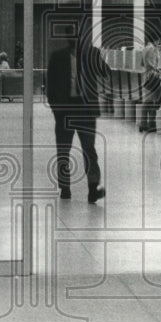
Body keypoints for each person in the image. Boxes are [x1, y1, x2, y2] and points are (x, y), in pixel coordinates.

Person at [46, 30, 110, 203]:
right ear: (68, 38)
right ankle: (65, 187)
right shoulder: (57, 57)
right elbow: (50, 84)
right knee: (63, 150)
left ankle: (93, 188)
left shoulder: (92, 54)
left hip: (86, 109)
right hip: (65, 110)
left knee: (89, 149)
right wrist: (56, 108)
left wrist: (96, 56)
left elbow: (106, 72)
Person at [138, 35, 161, 133]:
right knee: (156, 100)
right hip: (153, 76)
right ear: (155, 40)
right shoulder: (153, 49)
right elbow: (153, 64)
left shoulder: (145, 49)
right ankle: (151, 123)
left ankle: (143, 124)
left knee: (147, 101)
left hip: (146, 75)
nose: (159, 44)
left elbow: (142, 64)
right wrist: (159, 70)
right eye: (159, 41)